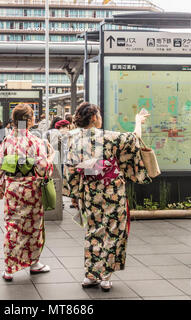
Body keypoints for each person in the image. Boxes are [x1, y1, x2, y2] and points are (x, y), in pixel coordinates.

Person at [63, 102, 151, 292]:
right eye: (99, 114)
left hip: (89, 190)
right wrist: (138, 121)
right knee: (113, 230)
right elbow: (135, 139)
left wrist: (75, 194)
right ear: (94, 117)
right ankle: (105, 276)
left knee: (93, 231)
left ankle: (90, 275)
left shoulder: (73, 138)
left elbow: (70, 168)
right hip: (112, 189)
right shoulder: (108, 136)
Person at [0, 103, 55, 281]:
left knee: (13, 227)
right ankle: (34, 263)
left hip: (13, 189)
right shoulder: (36, 141)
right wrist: (51, 156)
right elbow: (43, 168)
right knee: (33, 228)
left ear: (14, 121)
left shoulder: (7, 141)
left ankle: (9, 269)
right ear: (31, 121)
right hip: (32, 190)